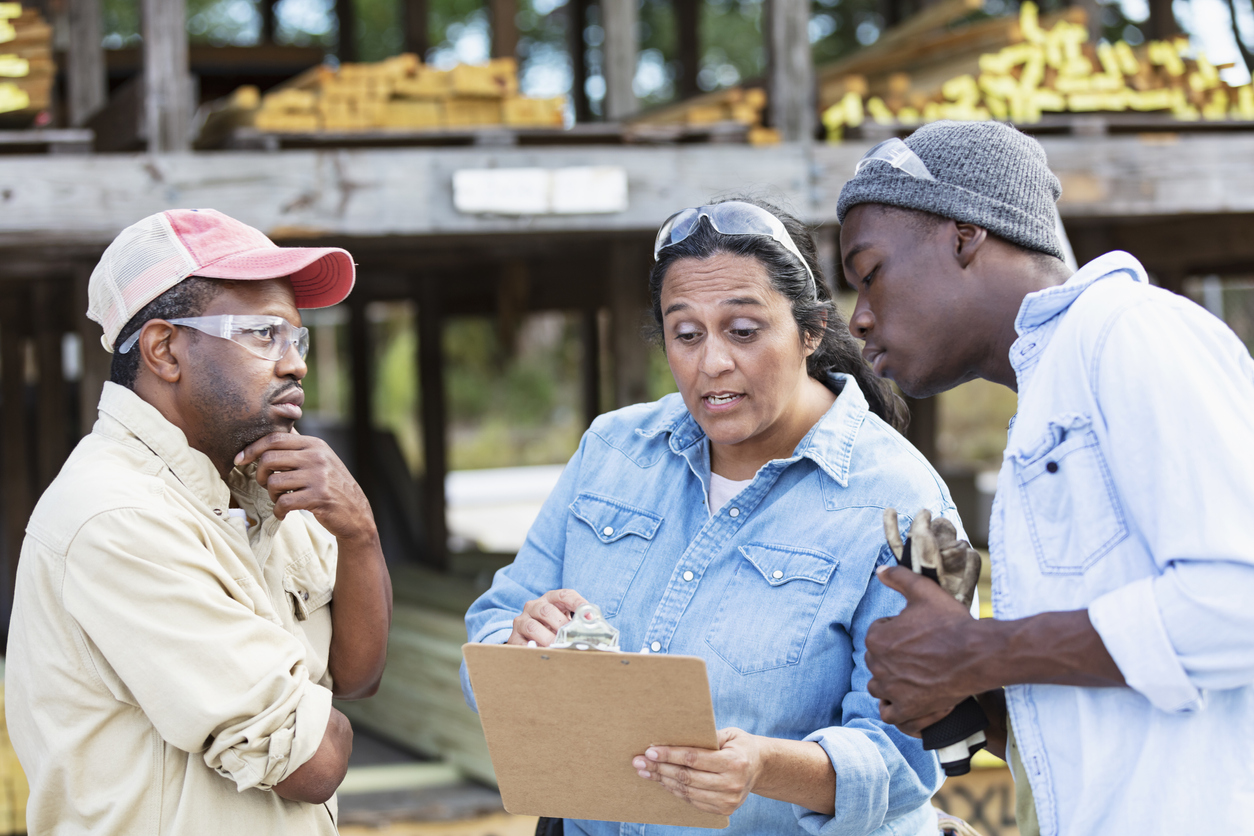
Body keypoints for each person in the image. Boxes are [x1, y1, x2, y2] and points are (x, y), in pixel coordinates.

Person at [462, 198, 971, 836]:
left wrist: (763, 766)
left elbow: (910, 757)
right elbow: (488, 628)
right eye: (687, 333)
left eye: (744, 330)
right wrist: (515, 645)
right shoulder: (613, 452)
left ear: (810, 332)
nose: (713, 364)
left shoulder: (901, 500)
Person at [837, 121, 1254, 835]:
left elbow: (1237, 604)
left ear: (965, 235)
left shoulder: (1130, 331)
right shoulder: (1047, 398)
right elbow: (1103, 725)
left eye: (870, 273)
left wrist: (979, 651)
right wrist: (964, 697)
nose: (861, 318)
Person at [6, 208, 394, 835]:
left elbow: (356, 676)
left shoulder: (261, 486)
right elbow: (314, 763)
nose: (294, 363)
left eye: (297, 338)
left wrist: (360, 534)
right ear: (164, 349)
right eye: (262, 334)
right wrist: (314, 719)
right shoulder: (117, 516)